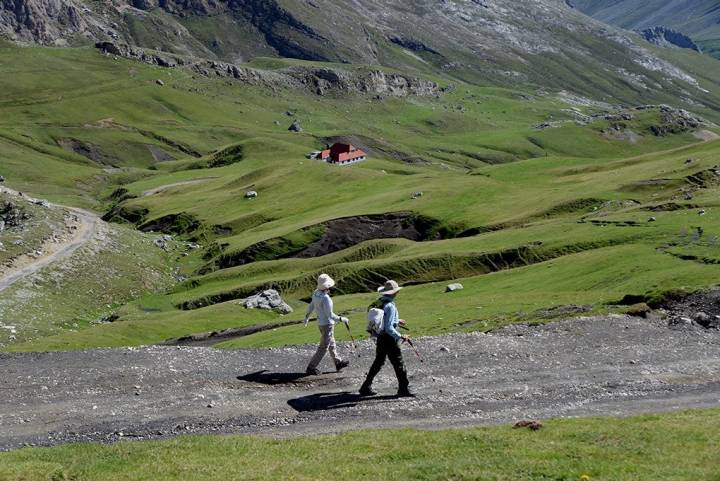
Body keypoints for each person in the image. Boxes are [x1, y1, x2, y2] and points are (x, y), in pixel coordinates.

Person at [359, 280, 414, 398]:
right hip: (389, 338)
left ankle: (365, 386)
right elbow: (389, 328)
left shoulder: (379, 302)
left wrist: (397, 321)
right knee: (398, 363)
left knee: (379, 361)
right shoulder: (390, 306)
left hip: (380, 337)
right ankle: (403, 389)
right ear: (395, 293)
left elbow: (382, 319)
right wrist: (401, 336)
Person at [304, 273, 350, 375]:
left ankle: (338, 362)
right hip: (327, 324)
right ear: (327, 286)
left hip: (321, 323)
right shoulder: (326, 298)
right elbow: (330, 315)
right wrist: (342, 319)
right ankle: (311, 367)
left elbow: (311, 305)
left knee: (331, 343)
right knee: (324, 347)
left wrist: (306, 316)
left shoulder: (316, 293)